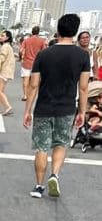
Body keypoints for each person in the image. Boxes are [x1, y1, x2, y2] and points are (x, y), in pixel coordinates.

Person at [23, 12, 90, 199]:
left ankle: (38, 186)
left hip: (44, 108)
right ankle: (55, 175)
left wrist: (27, 111)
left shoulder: (44, 54)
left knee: (42, 147)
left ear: (58, 30)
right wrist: (82, 112)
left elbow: (33, 85)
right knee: (61, 143)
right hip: (67, 108)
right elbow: (83, 88)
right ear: (75, 33)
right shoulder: (82, 56)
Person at [19, 26, 48, 101]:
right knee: (34, 81)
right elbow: (44, 52)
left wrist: (20, 58)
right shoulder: (42, 41)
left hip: (26, 63)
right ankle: (32, 95)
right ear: (38, 32)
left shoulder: (26, 40)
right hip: (36, 63)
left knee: (25, 79)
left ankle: (25, 95)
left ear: (32, 32)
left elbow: (21, 50)